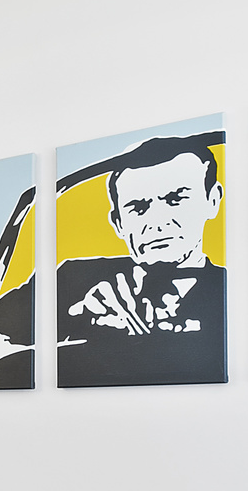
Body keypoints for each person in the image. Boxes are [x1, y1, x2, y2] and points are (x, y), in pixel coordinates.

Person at [56, 135, 225, 387]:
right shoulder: (68, 280)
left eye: (175, 199)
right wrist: (77, 323)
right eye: (137, 207)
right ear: (118, 223)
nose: (157, 222)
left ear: (212, 201)